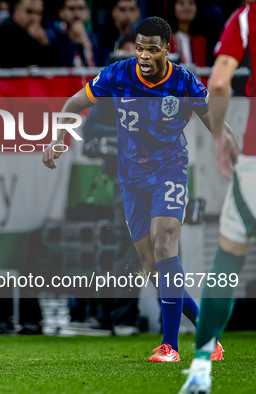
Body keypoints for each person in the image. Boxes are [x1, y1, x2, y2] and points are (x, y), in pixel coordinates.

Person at [42, 16, 229, 363]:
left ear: (167, 50)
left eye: (152, 49)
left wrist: (229, 149)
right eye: (140, 48)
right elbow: (74, 104)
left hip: (169, 172)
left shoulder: (185, 82)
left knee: (164, 243)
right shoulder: (118, 74)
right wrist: (57, 139)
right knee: (152, 264)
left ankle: (169, 346)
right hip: (131, 181)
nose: (144, 55)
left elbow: (215, 121)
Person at [180, 1, 255, 392]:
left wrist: (221, 135)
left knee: (228, 259)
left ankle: (201, 365)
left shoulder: (245, 17)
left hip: (255, 160)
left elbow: (221, 81)